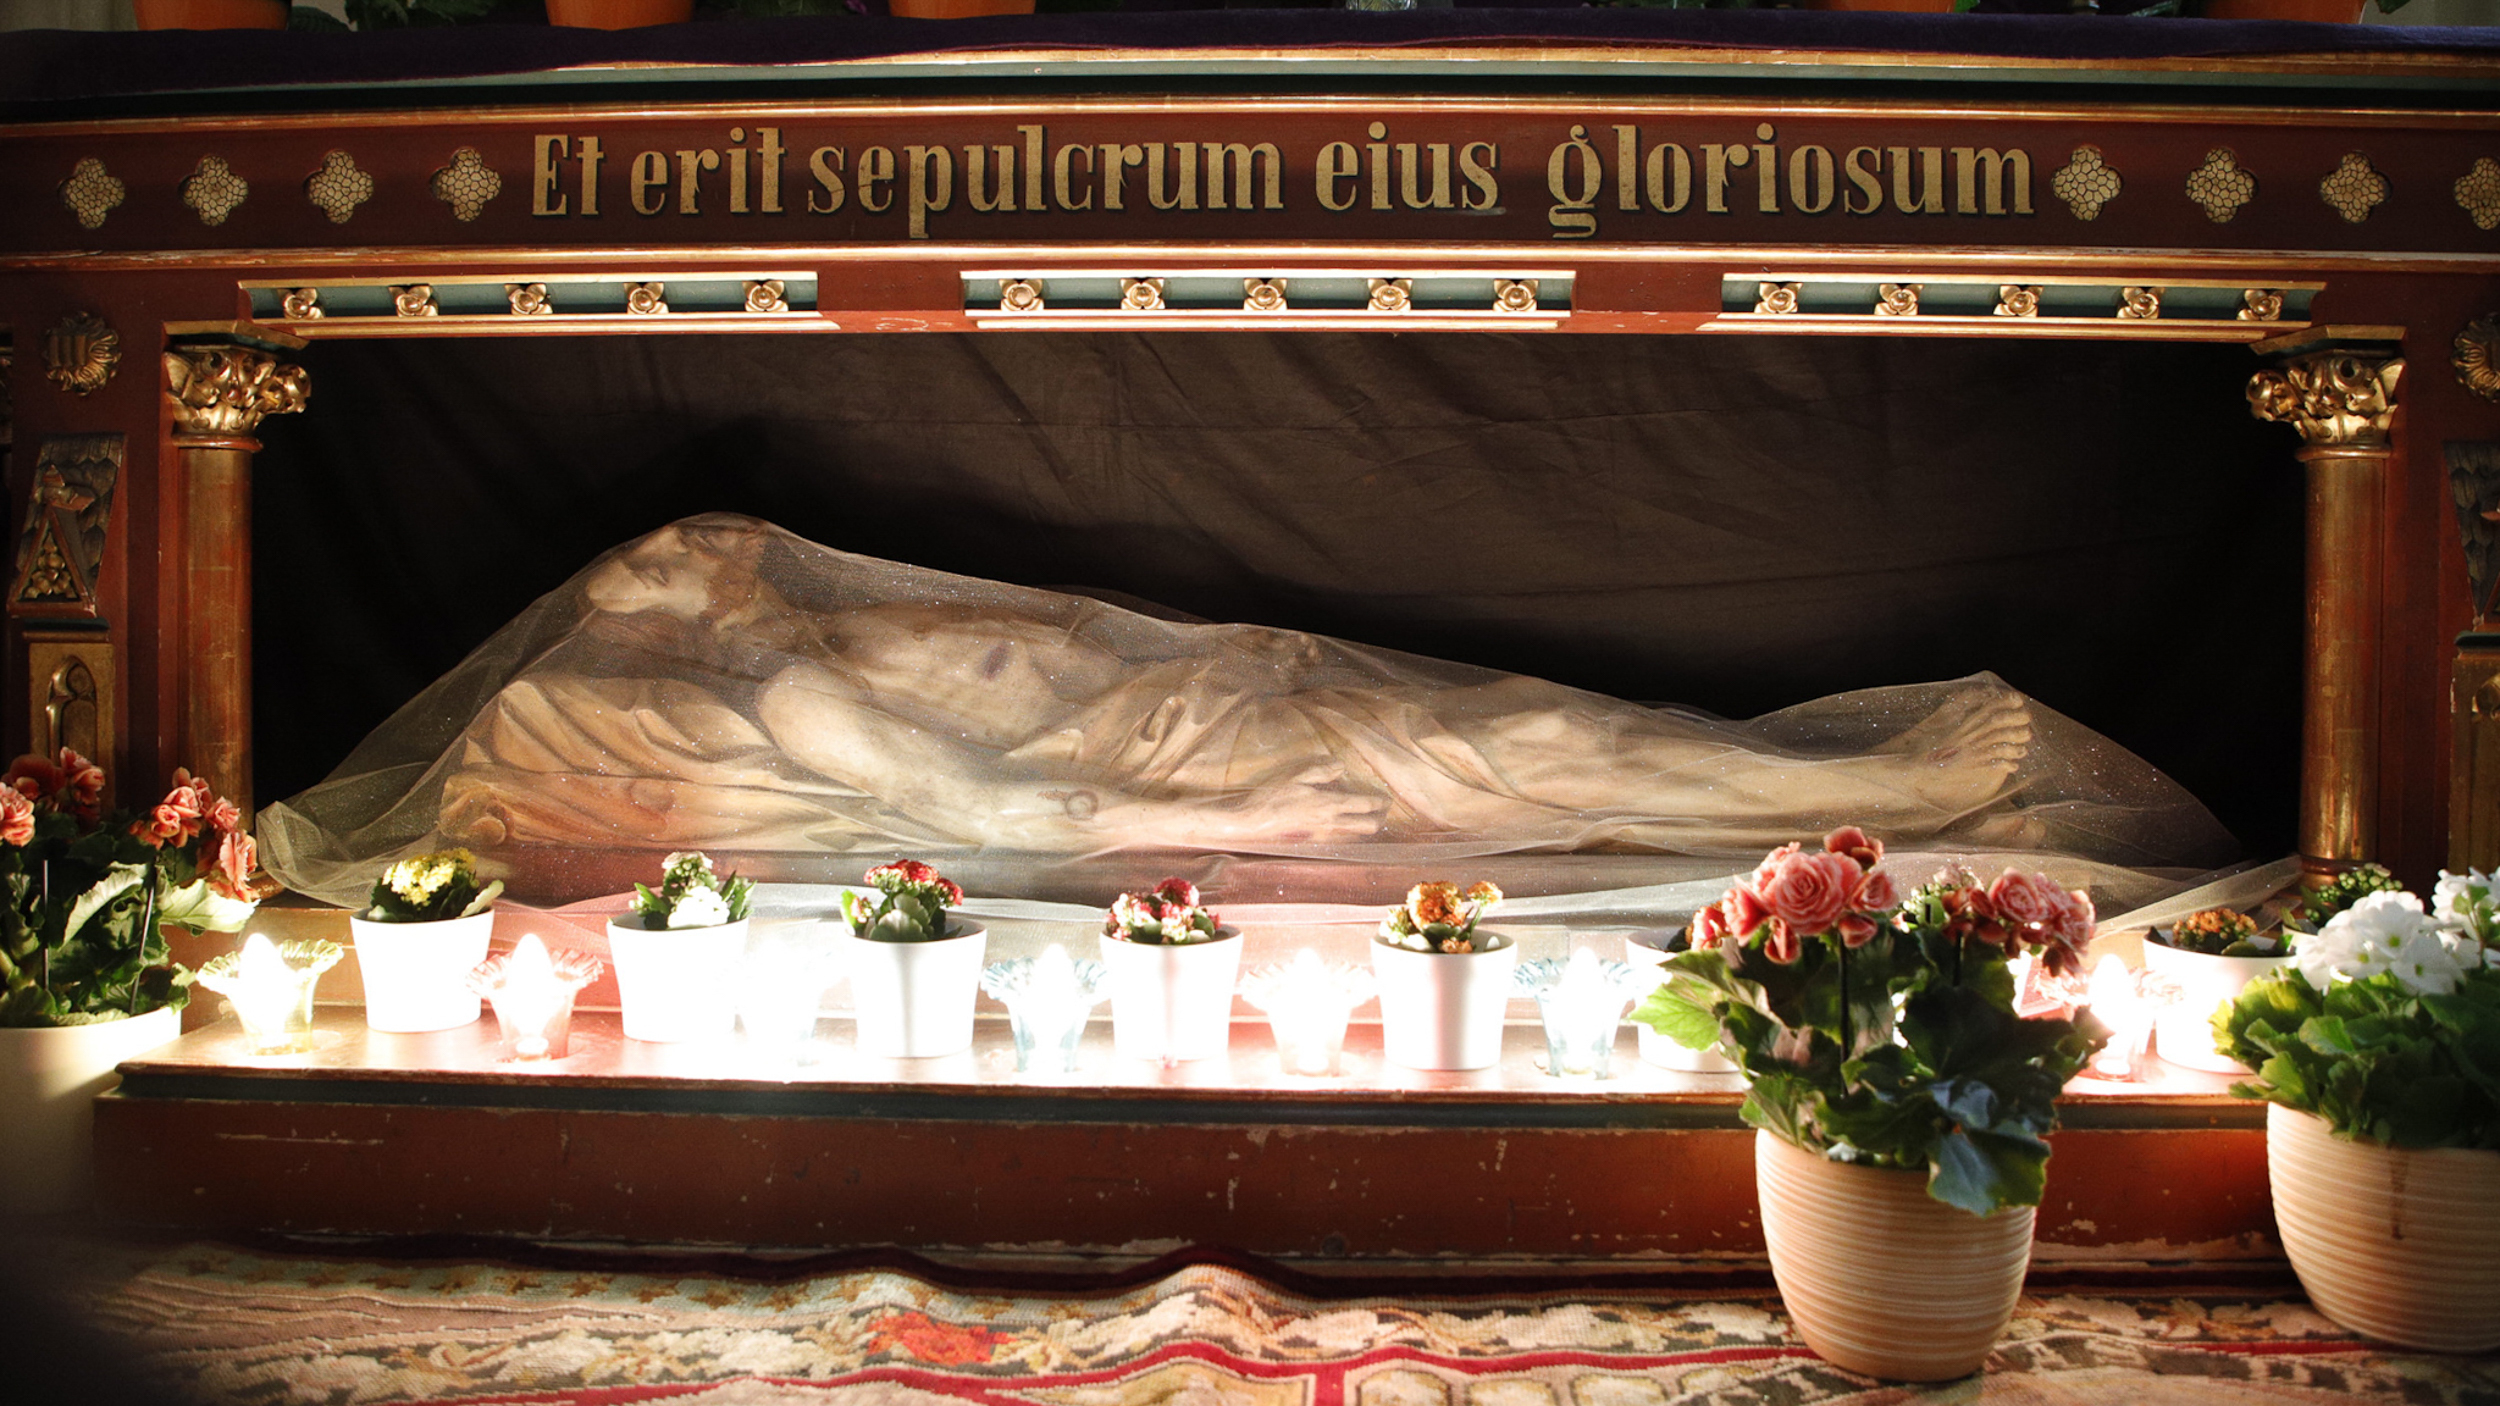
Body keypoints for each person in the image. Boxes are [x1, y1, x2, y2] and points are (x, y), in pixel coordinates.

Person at [389, 516, 2153, 869]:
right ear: (672, 629)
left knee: (1541, 726)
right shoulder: (794, 695)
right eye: (654, 566)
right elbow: (1001, 811)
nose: (685, 542)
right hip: (1221, 759)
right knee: (1544, 747)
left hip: (1231, 696)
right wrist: (1240, 819)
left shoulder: (831, 625)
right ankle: (1881, 796)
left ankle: (1825, 787)